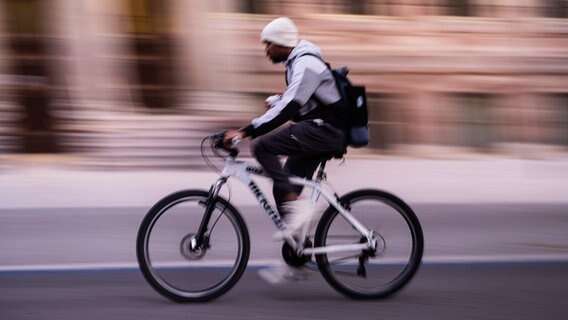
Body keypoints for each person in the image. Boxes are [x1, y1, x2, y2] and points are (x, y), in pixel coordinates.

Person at [223, 17, 347, 283]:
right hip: (316, 129)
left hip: (325, 130)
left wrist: (245, 131)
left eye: (268, 43)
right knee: (283, 185)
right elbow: (301, 100)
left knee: (263, 146)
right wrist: (278, 101)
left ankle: (299, 207)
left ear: (281, 42)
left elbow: (292, 106)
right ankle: (297, 257)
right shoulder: (297, 63)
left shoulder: (306, 63)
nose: (265, 48)